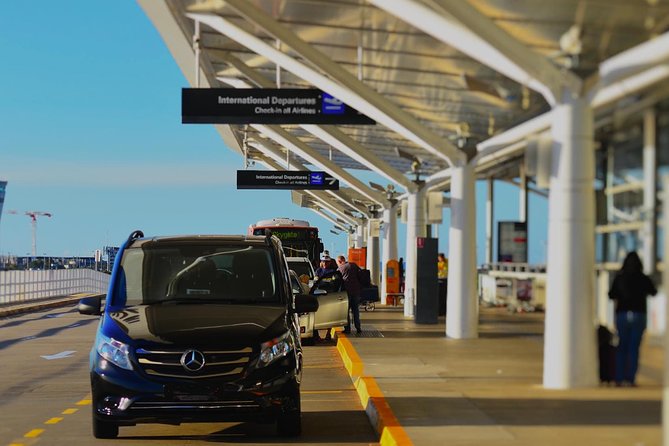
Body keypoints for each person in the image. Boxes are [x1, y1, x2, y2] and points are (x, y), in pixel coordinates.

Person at [608, 251, 657, 387]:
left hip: (622, 314)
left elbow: (611, 295)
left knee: (621, 347)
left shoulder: (620, 278)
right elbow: (654, 292)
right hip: (639, 314)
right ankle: (630, 379)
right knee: (634, 348)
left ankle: (619, 378)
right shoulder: (643, 278)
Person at [336, 255, 362, 334]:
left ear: (340, 261)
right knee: (355, 311)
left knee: (346, 312)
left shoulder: (340, 269)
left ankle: (347, 329)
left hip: (346, 293)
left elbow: (336, 281)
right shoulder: (353, 265)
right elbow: (360, 274)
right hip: (356, 291)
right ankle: (358, 328)